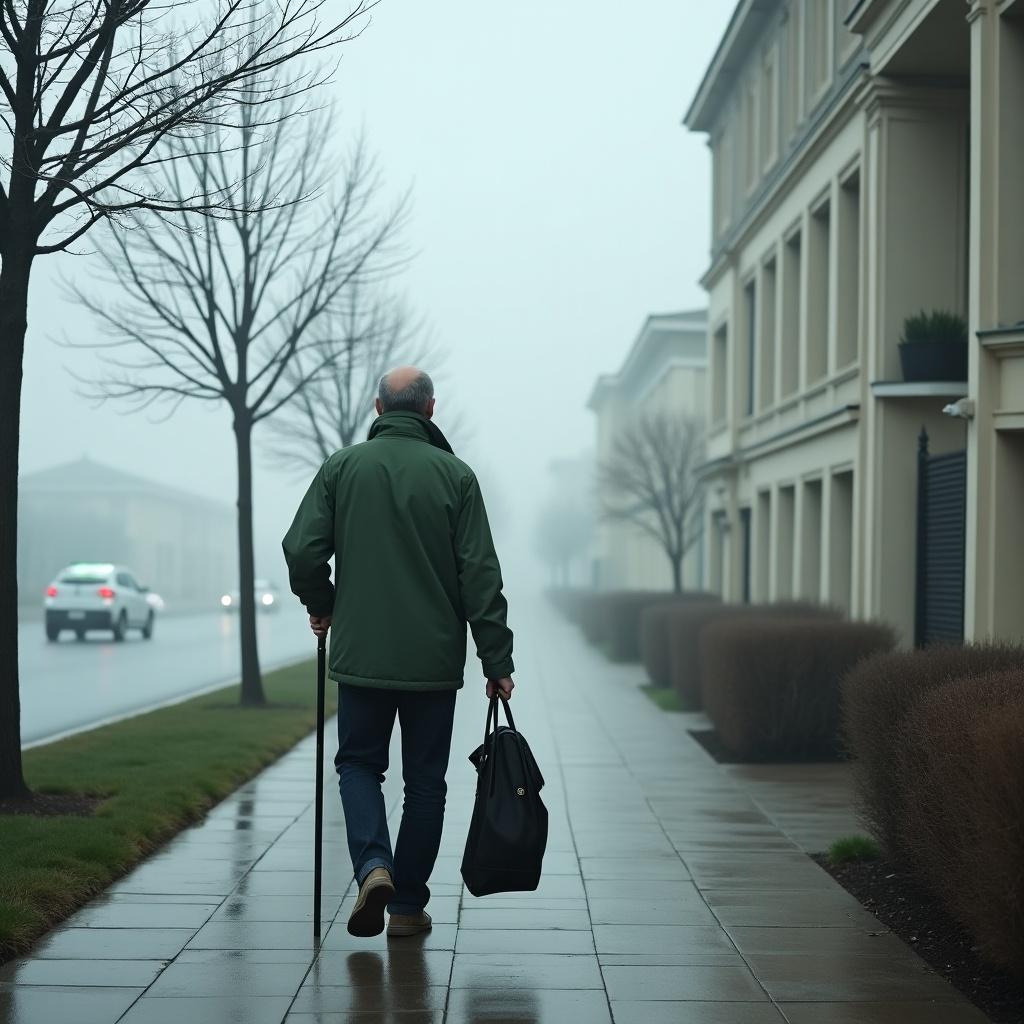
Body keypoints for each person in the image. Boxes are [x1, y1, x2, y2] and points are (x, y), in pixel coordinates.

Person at [282, 366, 515, 939]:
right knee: (425, 784)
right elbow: (479, 575)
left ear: (379, 407)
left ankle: (372, 865)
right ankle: (407, 906)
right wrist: (496, 661)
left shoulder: (342, 467)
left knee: (359, 765)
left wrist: (323, 602)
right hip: (432, 664)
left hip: (362, 655)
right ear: (430, 409)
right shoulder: (456, 477)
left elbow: (302, 549)